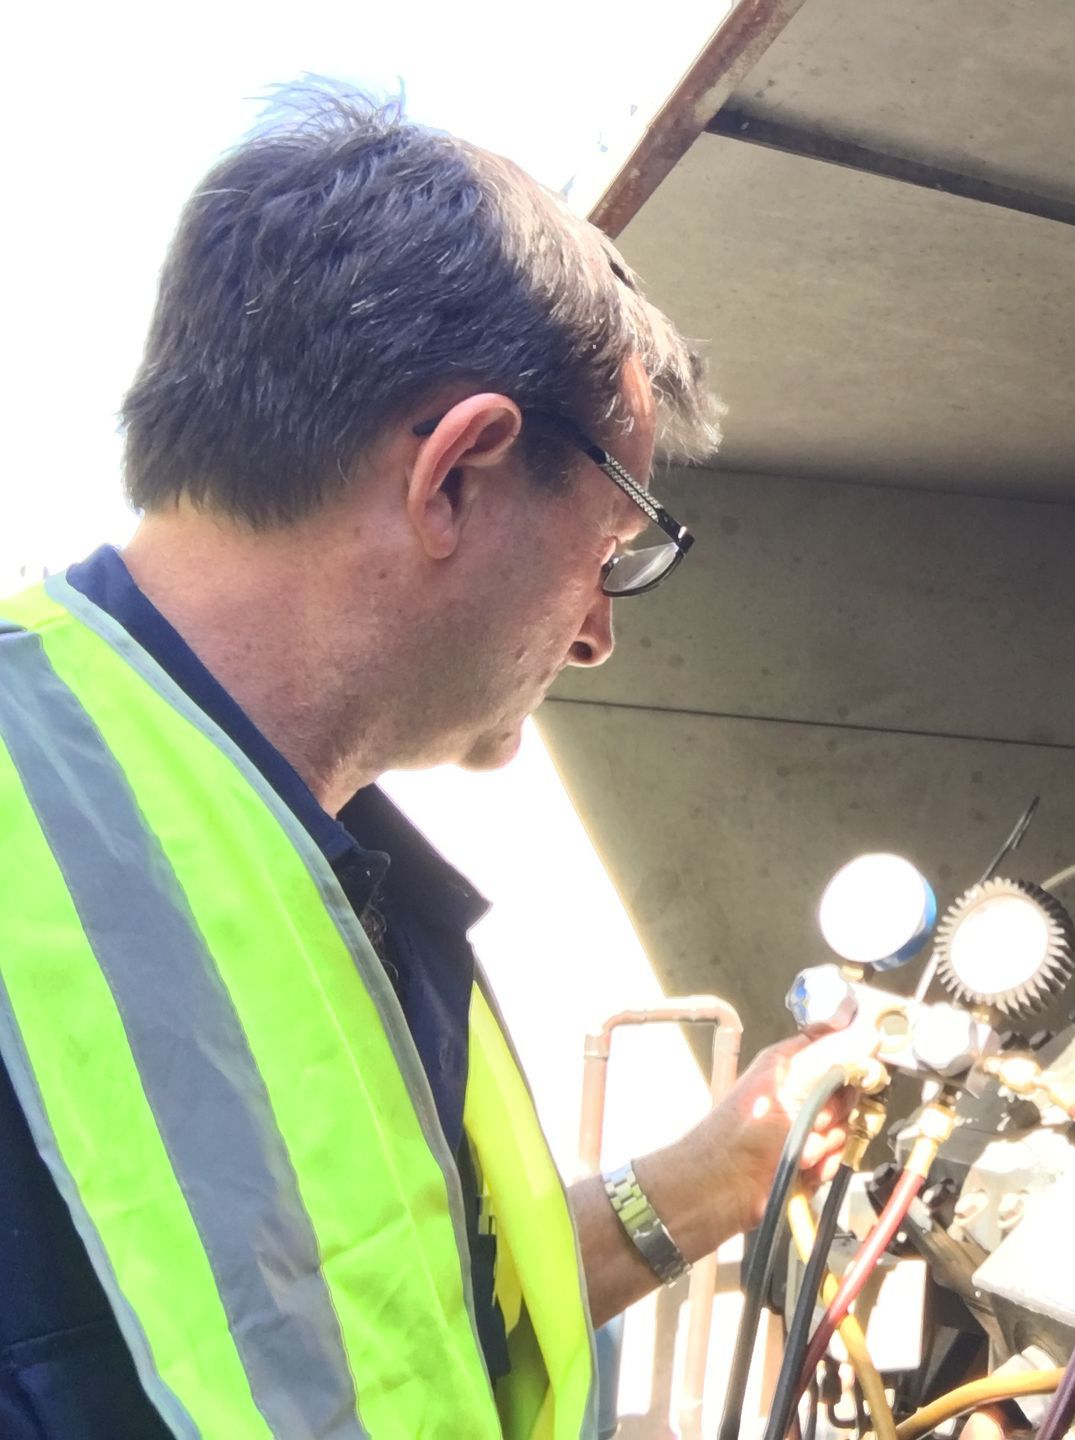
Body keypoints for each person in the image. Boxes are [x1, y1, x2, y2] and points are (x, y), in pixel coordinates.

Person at [0, 86, 859, 1437]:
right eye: (611, 545)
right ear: (458, 473)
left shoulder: (321, 870)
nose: (597, 633)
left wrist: (714, 1177)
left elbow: (383, 1343)